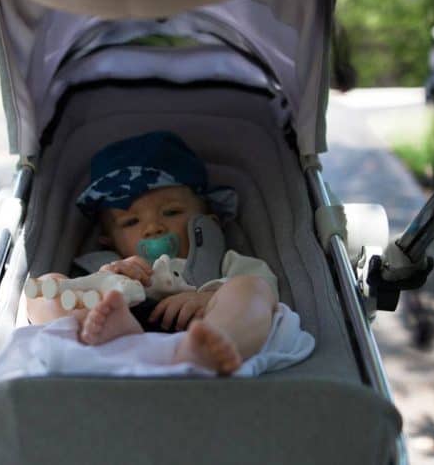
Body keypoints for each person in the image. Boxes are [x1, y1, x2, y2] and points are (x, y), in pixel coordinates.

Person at [25, 131, 280, 375]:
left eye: (171, 212)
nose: (152, 228)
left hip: (204, 325)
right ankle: (103, 326)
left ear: (208, 222)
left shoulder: (227, 263)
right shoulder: (111, 267)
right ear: (108, 241)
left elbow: (267, 294)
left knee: (252, 288)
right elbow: (66, 289)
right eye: (130, 222)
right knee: (46, 286)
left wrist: (212, 297)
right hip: (112, 328)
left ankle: (213, 343)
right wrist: (103, 284)